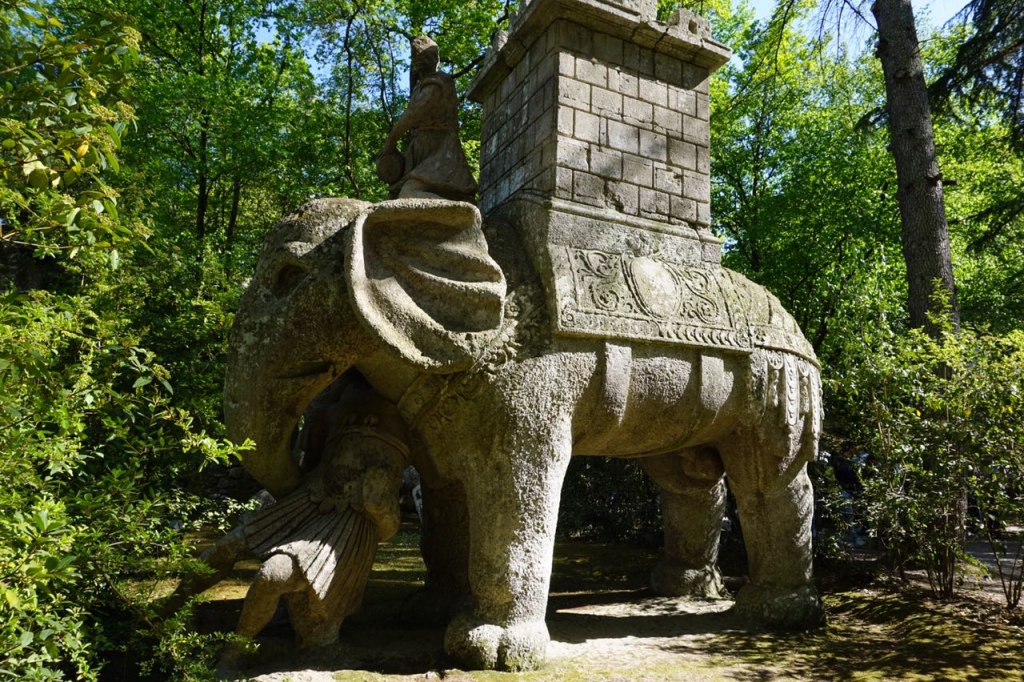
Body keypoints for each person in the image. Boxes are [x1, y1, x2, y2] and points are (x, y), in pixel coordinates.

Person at [376, 35, 478, 202]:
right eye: (416, 57)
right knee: (394, 196)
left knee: (408, 194)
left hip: (441, 150)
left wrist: (391, 140)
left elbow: (414, 114)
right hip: (421, 150)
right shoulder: (419, 88)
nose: (419, 61)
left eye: (423, 57)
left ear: (435, 59)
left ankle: (462, 212)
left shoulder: (439, 81)